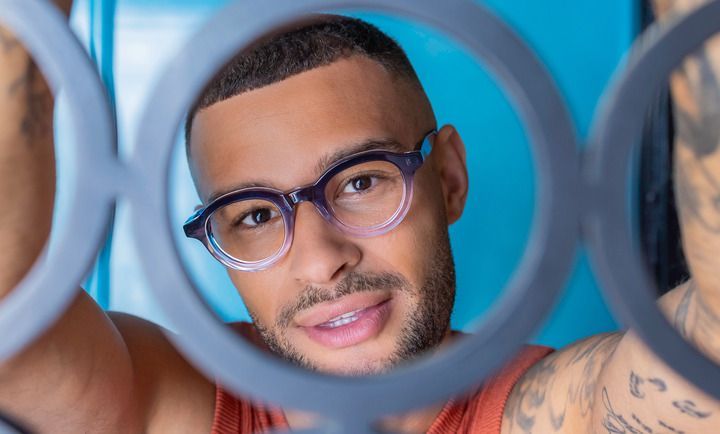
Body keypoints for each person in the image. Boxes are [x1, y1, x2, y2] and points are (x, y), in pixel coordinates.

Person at [1, 0, 719, 433]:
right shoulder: (174, 405)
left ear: (449, 178)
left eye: (360, 182)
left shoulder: (544, 412)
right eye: (251, 216)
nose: (321, 260)